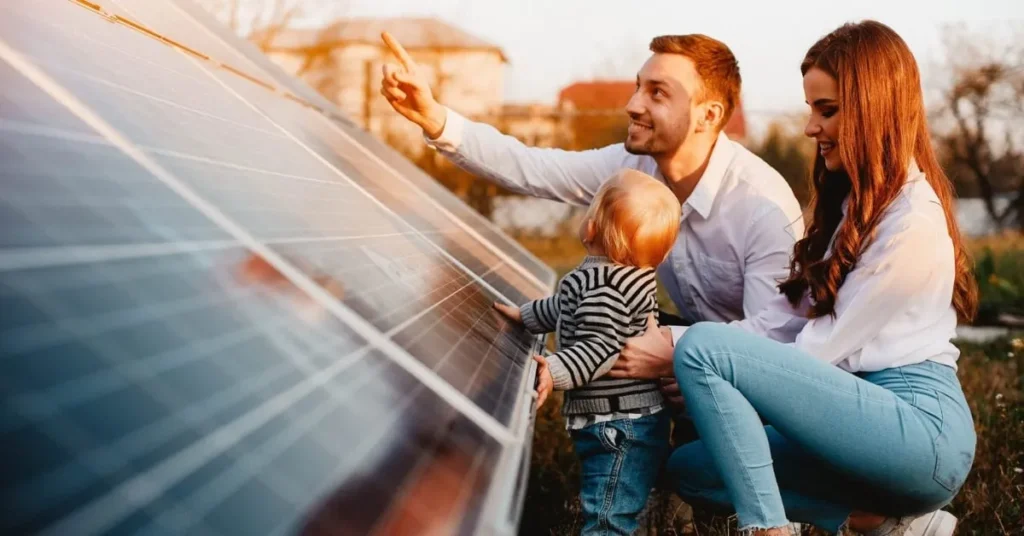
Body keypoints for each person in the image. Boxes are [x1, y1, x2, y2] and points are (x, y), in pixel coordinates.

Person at [608, 20, 978, 536]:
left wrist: (688, 358)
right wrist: (682, 348)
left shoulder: (911, 223)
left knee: (704, 352)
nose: (810, 127)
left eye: (827, 111)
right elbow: (784, 320)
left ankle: (767, 529)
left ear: (875, 109)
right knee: (692, 469)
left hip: (918, 435)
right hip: (852, 419)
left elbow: (814, 354)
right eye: (811, 109)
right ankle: (883, 523)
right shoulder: (856, 209)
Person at [378, 31, 805, 410]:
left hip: (760, 377)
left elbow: (775, 337)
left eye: (657, 93)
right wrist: (436, 118)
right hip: (687, 351)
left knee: (692, 472)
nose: (632, 104)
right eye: (639, 87)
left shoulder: (761, 205)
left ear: (708, 116)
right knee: (606, 323)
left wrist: (679, 354)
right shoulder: (631, 170)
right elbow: (532, 167)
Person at [494, 169, 680, 536]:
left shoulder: (605, 288)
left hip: (617, 424)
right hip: (630, 420)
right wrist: (526, 316)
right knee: (617, 499)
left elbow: (600, 347)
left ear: (591, 228)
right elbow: (564, 307)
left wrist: (556, 369)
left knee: (608, 516)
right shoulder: (617, 276)